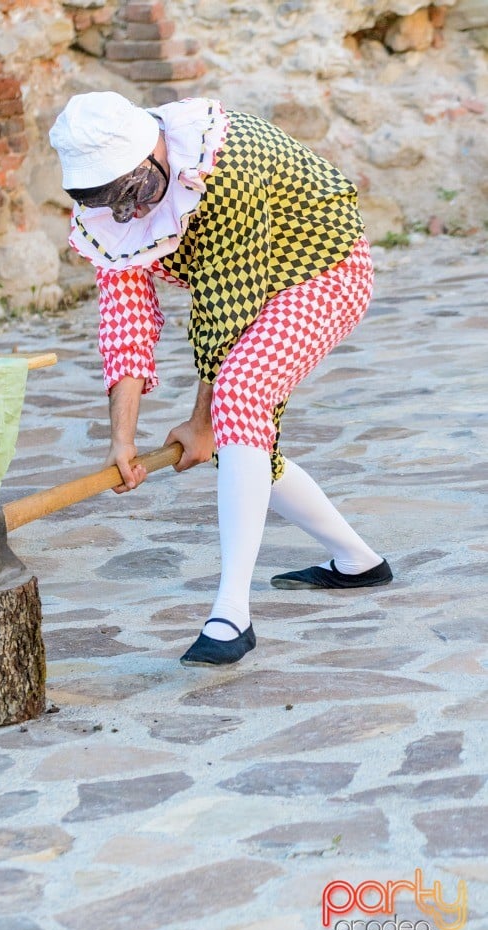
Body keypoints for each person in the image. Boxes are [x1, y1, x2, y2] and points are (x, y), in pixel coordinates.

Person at [49, 92, 392, 667]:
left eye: (134, 193)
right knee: (247, 444)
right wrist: (122, 440)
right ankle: (358, 561)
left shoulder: (223, 164)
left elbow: (224, 309)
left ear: (154, 148)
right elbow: (126, 319)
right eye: (111, 202)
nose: (127, 214)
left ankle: (232, 613)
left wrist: (200, 422)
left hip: (323, 270)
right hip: (253, 281)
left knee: (239, 396)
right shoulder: (106, 206)